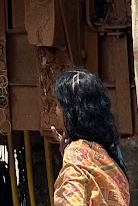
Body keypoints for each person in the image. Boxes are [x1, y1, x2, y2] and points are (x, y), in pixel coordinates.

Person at [50, 67, 129, 206]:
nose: (56, 111)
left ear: (70, 112)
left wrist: (69, 154)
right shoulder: (109, 155)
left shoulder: (75, 157)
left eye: (58, 105)